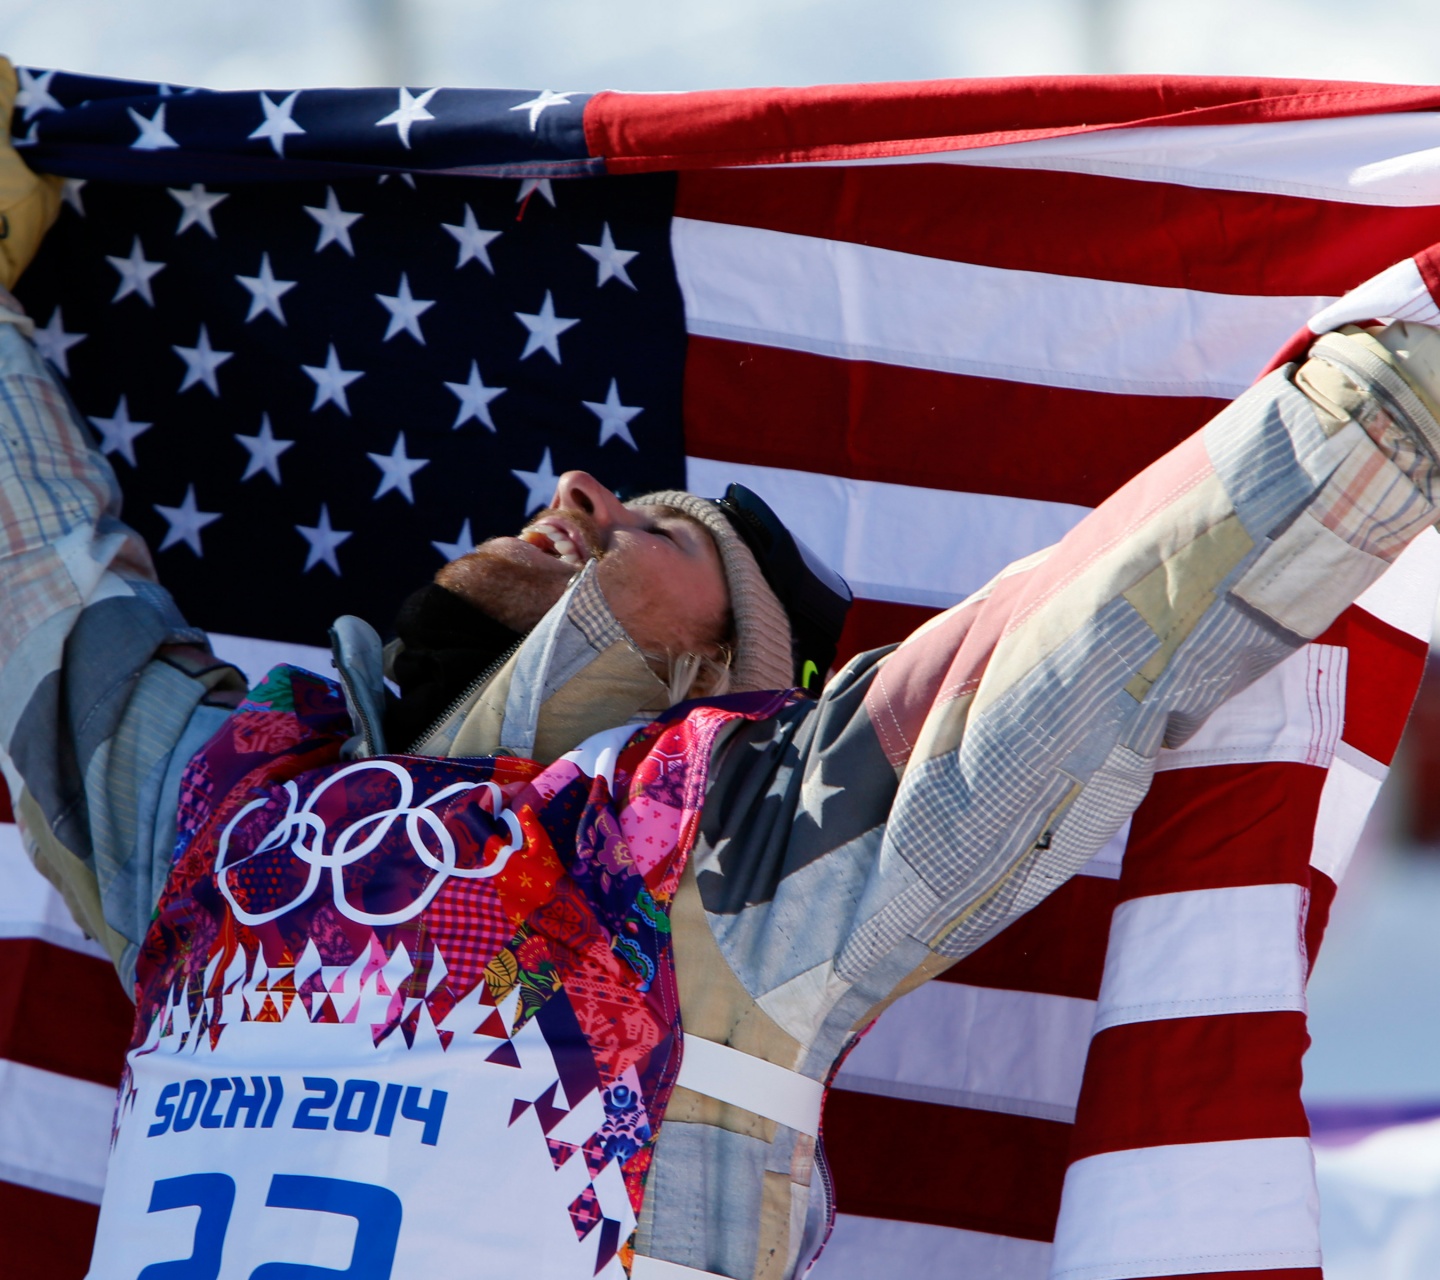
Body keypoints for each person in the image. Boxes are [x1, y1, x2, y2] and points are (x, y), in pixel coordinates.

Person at [5, 59, 1440, 1280]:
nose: (579, 494)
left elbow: (1127, 615)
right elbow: (44, 578)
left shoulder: (740, 859)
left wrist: (1412, 355)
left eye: (656, 528)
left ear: (718, 676)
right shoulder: (219, 823)